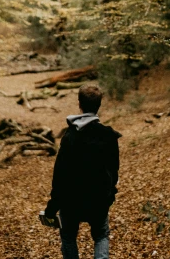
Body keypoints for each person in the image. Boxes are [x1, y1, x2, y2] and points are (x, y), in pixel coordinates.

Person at [42, 83, 121, 259]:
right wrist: (110, 195)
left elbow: (60, 176)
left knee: (68, 237)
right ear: (99, 105)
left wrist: (52, 206)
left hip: (71, 202)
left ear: (79, 103)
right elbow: (114, 171)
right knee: (101, 236)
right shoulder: (108, 136)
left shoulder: (70, 137)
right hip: (99, 199)